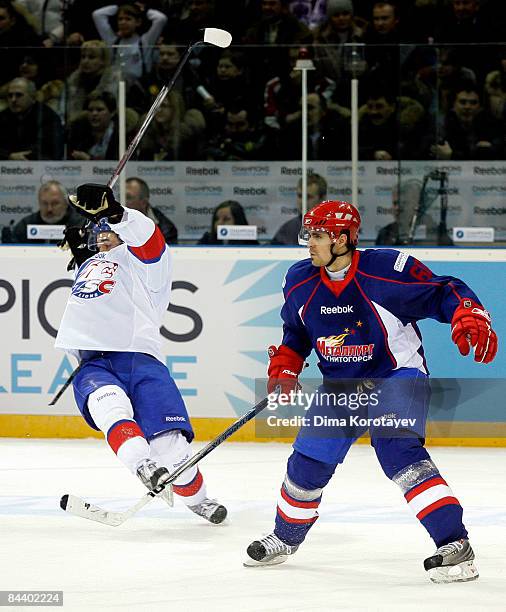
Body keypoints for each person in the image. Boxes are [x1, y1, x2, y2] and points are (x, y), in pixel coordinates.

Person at [244, 199, 498, 583]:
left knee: (398, 450)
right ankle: (286, 536)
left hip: (397, 376)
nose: (309, 243)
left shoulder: (386, 272)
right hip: (340, 387)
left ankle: (454, 543)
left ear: (344, 239)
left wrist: (466, 310)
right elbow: (296, 332)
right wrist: (285, 365)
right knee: (308, 463)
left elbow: (444, 290)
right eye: (308, 235)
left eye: (318, 235)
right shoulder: (299, 281)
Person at [54, 183, 227, 524]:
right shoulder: (91, 263)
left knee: (173, 450)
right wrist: (80, 251)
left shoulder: (147, 265)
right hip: (91, 362)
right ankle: (143, 466)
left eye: (109, 228)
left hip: (139, 359)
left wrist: (115, 213)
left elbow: (148, 238)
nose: (102, 233)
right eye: (99, 228)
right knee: (109, 405)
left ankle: (198, 499)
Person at [92, 3, 167, 85]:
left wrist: (143, 10)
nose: (123, 22)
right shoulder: (113, 41)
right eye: (120, 19)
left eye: (128, 19)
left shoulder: (145, 42)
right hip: (115, 87)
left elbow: (161, 19)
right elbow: (97, 15)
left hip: (139, 88)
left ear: (138, 22)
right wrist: (119, 6)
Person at [0, 77, 64, 160]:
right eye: (10, 95)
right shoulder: (3, 116)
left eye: (19, 95)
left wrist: (18, 156)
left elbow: (51, 150)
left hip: (39, 168)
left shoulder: (48, 116)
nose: (13, 99)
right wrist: (9, 155)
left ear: (33, 98)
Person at [7, 181, 82, 244]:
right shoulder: (26, 225)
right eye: (45, 203)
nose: (49, 209)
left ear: (66, 203)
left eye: (55, 203)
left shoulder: (80, 224)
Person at [271, 173, 327, 245]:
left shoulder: (333, 228)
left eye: (308, 197)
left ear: (322, 198)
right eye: (300, 196)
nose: (302, 201)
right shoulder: (288, 229)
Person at [125, 177, 178, 244]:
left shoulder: (166, 228)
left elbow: (169, 252)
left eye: (128, 197)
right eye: (120, 196)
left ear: (143, 202)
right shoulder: (112, 222)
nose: (123, 202)